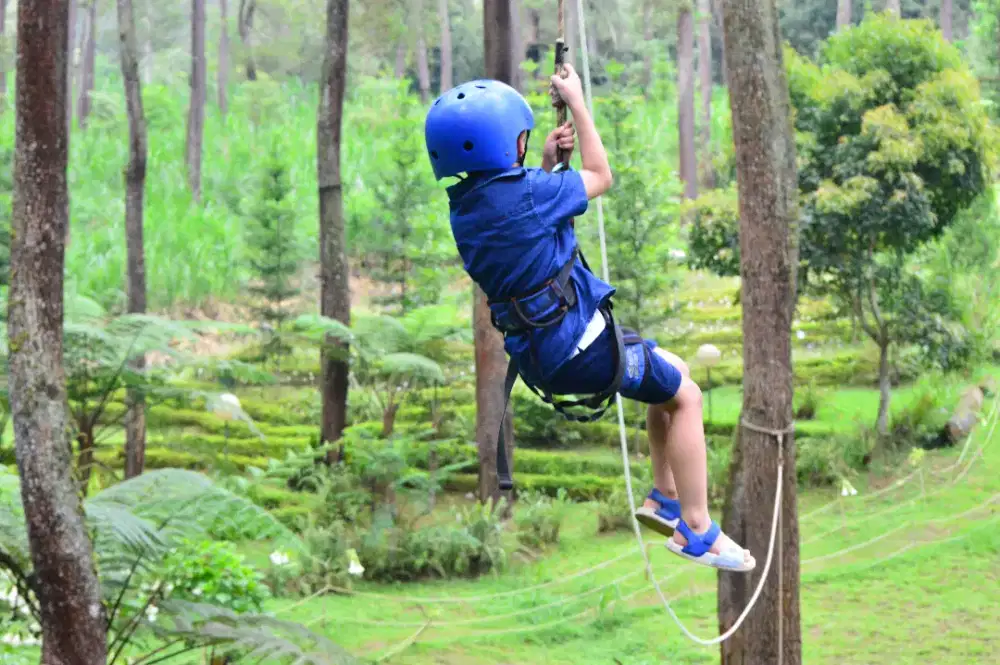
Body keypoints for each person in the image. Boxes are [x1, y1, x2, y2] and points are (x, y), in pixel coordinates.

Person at [423, 64, 755, 573]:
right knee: (687, 397)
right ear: (500, 144)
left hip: (543, 353)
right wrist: (576, 101)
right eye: (520, 138)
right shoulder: (531, 194)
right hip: (577, 345)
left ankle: (664, 497)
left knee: (672, 375)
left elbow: (525, 223)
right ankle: (697, 529)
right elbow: (601, 177)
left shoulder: (466, 208)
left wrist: (547, 164)